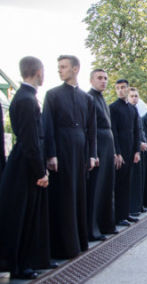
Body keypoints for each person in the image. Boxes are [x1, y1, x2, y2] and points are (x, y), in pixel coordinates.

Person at [0, 56, 52, 279]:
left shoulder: (24, 97)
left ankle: (20, 262)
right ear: (39, 71)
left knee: (23, 215)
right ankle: (19, 265)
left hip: (24, 162)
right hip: (25, 166)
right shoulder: (27, 100)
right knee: (22, 216)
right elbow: (31, 141)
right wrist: (40, 172)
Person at [43, 55, 96, 259]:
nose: (59, 70)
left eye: (64, 67)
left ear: (75, 69)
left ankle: (79, 242)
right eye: (59, 67)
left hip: (81, 149)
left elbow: (91, 129)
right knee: (63, 195)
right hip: (61, 148)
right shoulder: (52, 94)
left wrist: (92, 154)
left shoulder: (87, 98)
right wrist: (51, 153)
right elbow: (47, 126)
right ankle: (61, 246)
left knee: (79, 195)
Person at [86, 69, 117, 240]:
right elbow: (90, 128)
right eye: (99, 78)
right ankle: (93, 229)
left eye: (105, 78)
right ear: (91, 80)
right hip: (98, 145)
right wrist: (93, 152)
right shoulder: (89, 98)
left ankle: (106, 224)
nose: (103, 81)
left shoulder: (103, 99)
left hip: (107, 145)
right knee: (96, 188)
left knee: (107, 186)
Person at [109, 79, 141, 226]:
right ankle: (118, 216)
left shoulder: (133, 109)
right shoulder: (113, 108)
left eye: (123, 88)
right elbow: (113, 131)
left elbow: (136, 132)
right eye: (118, 88)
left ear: (128, 89)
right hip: (120, 151)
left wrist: (136, 151)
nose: (120, 90)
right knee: (119, 184)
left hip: (130, 150)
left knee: (128, 183)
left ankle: (126, 214)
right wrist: (118, 152)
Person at [128, 87, 147, 216]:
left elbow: (140, 130)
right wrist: (138, 143)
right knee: (132, 181)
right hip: (130, 150)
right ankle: (132, 208)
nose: (135, 98)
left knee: (139, 180)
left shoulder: (136, 110)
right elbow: (130, 132)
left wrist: (144, 142)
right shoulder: (128, 110)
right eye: (132, 96)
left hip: (139, 149)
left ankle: (138, 205)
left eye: (136, 96)